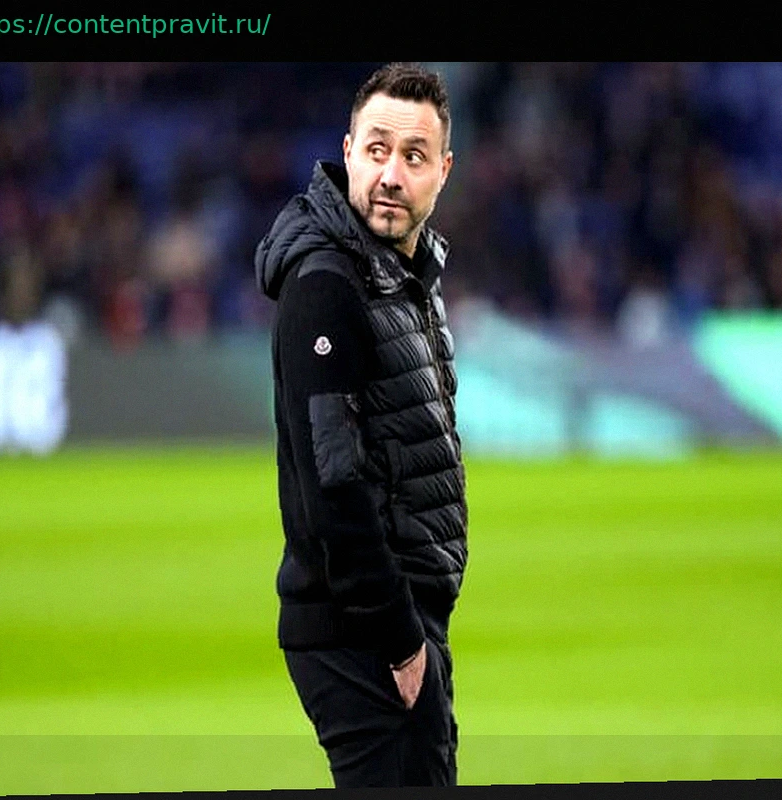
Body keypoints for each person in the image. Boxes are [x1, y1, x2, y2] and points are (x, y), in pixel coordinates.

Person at [254, 62, 467, 788]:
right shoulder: (327, 286)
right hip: (365, 630)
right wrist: (401, 640)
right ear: (348, 152)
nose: (390, 175)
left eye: (413, 157)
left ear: (443, 171)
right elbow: (335, 483)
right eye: (377, 150)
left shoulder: (401, 278)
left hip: (390, 620)